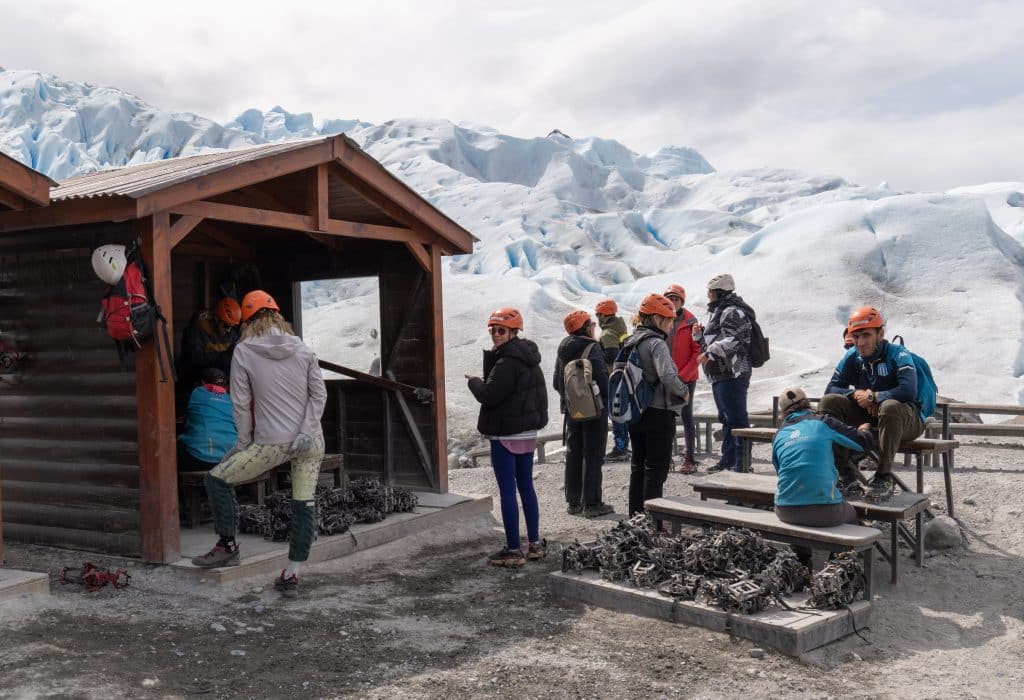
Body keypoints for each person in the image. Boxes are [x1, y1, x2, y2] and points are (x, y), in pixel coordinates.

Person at [191, 290, 327, 600]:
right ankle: (292, 575)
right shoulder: (303, 349)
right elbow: (319, 395)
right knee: (303, 504)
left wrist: (242, 443)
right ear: (279, 316)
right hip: (310, 441)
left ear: (247, 321)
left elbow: (240, 403)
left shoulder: (244, 351)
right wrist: (307, 429)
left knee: (216, 479)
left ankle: (228, 546)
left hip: (271, 442)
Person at [466, 308, 548, 567]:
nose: (495, 335)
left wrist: (475, 383)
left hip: (504, 436)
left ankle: (513, 550)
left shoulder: (506, 362)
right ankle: (534, 544)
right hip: (527, 435)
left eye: (500, 330)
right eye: (492, 330)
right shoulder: (531, 360)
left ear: (513, 332)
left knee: (508, 492)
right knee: (526, 487)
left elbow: (490, 395)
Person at [821, 306, 926, 500]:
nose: (860, 342)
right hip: (872, 417)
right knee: (830, 403)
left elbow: (908, 391)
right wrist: (856, 394)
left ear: (880, 334)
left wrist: (875, 397)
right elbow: (831, 389)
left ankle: (884, 476)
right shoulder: (852, 356)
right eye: (856, 336)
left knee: (890, 407)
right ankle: (844, 472)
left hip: (908, 419)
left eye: (866, 335)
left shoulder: (898, 354)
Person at [625, 293, 689, 516]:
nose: (671, 324)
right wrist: (684, 392)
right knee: (655, 469)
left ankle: (635, 518)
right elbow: (668, 376)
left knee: (638, 467)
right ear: (657, 319)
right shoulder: (656, 343)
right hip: (659, 413)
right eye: (669, 320)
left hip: (635, 412)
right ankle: (653, 523)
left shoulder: (630, 341)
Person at [772, 386, 873, 527]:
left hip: (784, 509)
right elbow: (864, 442)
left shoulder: (779, 435)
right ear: (807, 403)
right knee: (851, 514)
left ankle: (801, 549)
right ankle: (840, 549)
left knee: (801, 518)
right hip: (825, 509)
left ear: (783, 412)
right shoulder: (823, 422)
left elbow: (780, 471)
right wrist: (864, 429)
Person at [554, 310, 613, 518]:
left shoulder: (563, 349)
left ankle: (573, 502)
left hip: (571, 410)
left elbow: (556, 382)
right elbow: (603, 381)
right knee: (593, 454)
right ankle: (592, 504)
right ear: (587, 327)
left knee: (574, 453)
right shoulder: (593, 347)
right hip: (594, 410)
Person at [692, 274, 752, 473]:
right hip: (721, 374)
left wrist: (710, 350)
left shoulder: (732, 312)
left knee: (736, 419)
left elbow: (736, 340)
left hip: (733, 373)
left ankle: (742, 464)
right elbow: (718, 341)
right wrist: (700, 338)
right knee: (727, 419)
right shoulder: (720, 311)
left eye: (710, 292)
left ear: (719, 291)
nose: (708, 295)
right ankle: (728, 460)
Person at [663, 284, 701, 473]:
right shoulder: (661, 318)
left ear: (682, 301)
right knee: (666, 417)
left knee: (686, 416)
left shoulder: (691, 321)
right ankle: (667, 457)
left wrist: (682, 375)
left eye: (676, 298)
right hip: (666, 377)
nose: (672, 301)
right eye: (670, 298)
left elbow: (698, 352)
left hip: (687, 378)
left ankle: (689, 459)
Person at [177, 368, 237, 471]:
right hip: (228, 460)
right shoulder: (230, 399)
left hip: (199, 459)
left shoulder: (197, 393)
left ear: (202, 382)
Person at [177, 297, 242, 389]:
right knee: (217, 376)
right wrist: (222, 357)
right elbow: (195, 360)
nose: (229, 330)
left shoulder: (231, 334)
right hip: (196, 374)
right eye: (226, 326)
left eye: (232, 327)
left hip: (220, 370)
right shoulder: (197, 330)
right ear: (216, 318)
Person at [596, 298, 630, 460]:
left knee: (615, 414)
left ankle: (620, 447)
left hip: (613, 379)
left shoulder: (608, 333)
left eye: (598, 314)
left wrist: (595, 354)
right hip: (623, 378)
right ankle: (623, 445)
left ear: (604, 315)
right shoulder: (620, 329)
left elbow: (611, 356)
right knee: (621, 413)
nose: (597, 318)